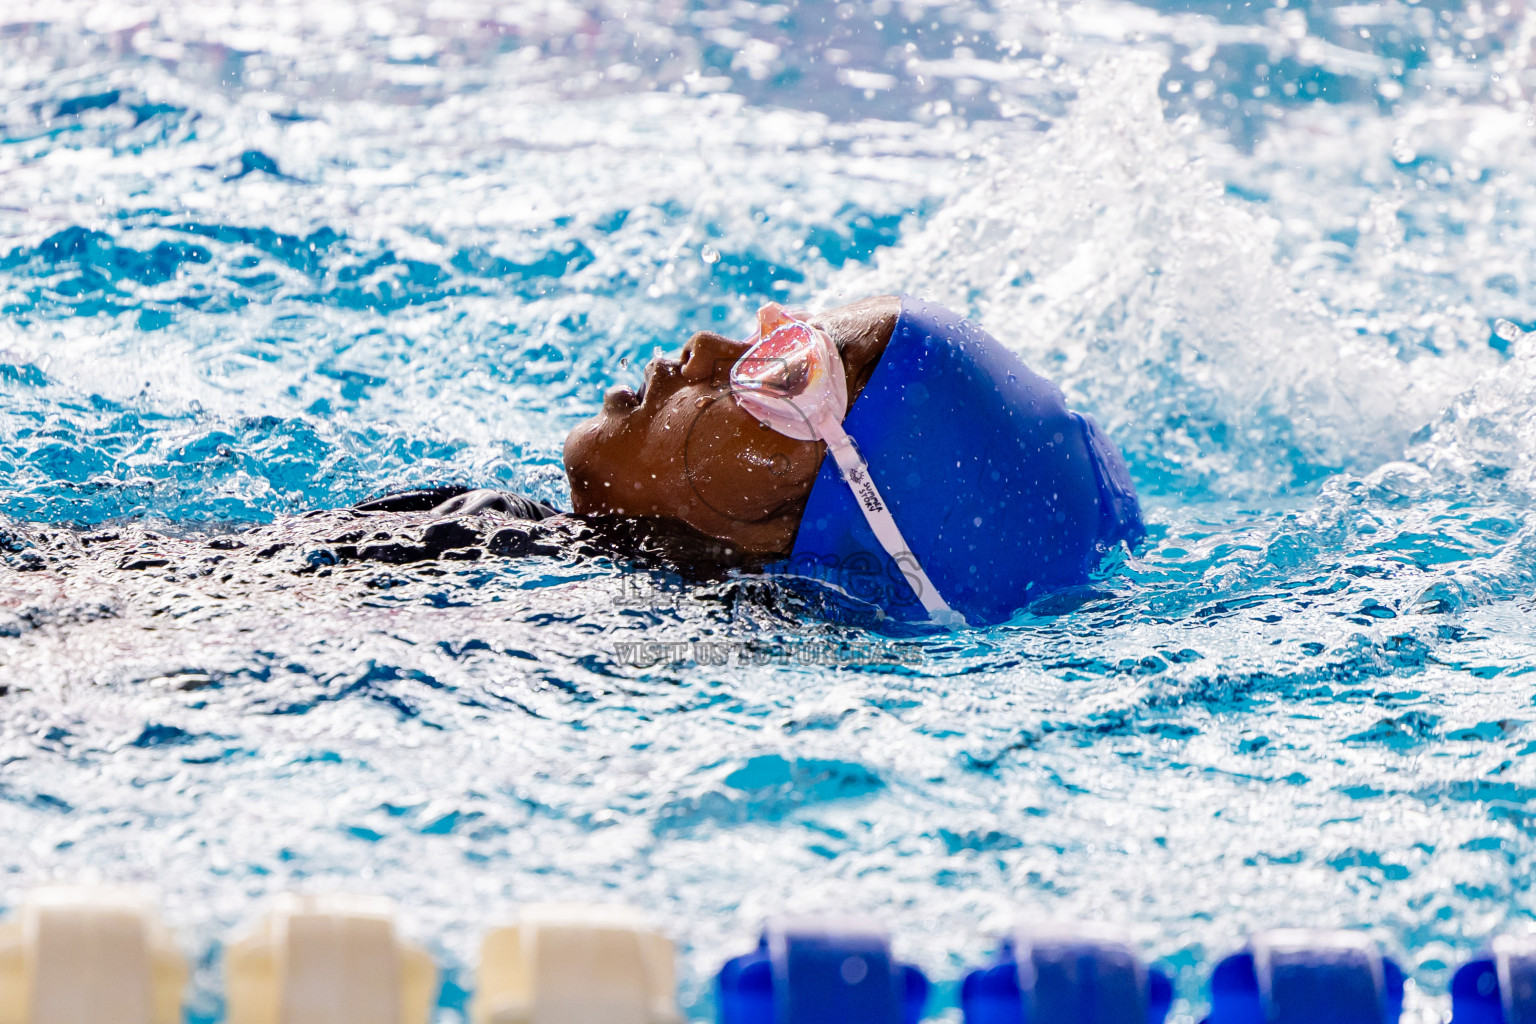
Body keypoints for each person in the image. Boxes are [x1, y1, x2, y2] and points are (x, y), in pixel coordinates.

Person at [5, 296, 1141, 627]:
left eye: (787, 371)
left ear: (836, 518)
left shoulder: (507, 590)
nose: (709, 349)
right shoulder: (531, 560)